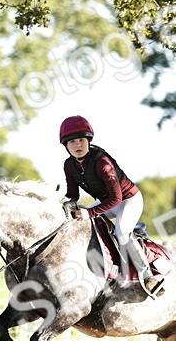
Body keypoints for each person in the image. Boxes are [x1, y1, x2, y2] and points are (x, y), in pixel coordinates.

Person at [59, 115, 158, 291]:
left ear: (88, 141)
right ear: (66, 146)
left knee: (121, 233)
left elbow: (116, 198)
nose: (77, 145)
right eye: (72, 142)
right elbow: (72, 194)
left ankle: (148, 276)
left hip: (128, 200)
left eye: (81, 140)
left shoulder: (103, 163)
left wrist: (89, 212)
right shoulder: (69, 165)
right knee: (84, 224)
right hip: (106, 201)